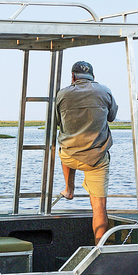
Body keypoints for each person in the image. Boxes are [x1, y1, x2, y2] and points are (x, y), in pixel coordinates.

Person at [56, 61, 118, 245]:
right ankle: (100, 248)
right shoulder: (105, 91)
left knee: (65, 147)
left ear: (73, 76)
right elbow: (112, 117)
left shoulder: (62, 93)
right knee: (99, 207)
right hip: (97, 158)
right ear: (92, 76)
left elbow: (58, 121)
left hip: (69, 157)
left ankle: (69, 188)